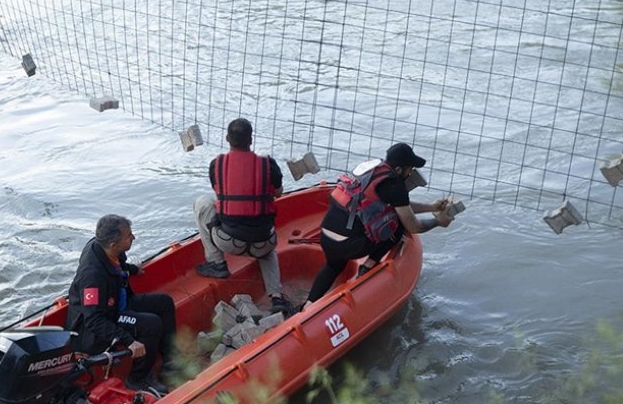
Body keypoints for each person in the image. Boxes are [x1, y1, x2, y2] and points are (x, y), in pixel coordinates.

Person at [302, 142, 454, 308]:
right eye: (409, 169)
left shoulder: (370, 170)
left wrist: (431, 207)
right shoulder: (395, 185)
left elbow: (400, 205)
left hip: (326, 236)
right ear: (398, 170)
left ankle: (308, 305)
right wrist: (438, 222)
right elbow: (413, 226)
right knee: (399, 225)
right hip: (349, 245)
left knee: (333, 266)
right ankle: (369, 265)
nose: (410, 173)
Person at [65, 214, 176, 395]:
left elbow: (119, 264)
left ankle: (170, 362)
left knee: (164, 302)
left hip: (118, 303)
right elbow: (93, 320)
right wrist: (129, 341)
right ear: (113, 244)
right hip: (98, 323)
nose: (133, 237)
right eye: (129, 236)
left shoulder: (107, 249)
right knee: (151, 324)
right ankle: (137, 378)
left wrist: (132, 269)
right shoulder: (92, 276)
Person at [193, 118, 293, 315]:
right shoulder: (268, 165)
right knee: (268, 251)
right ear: (251, 139)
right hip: (262, 243)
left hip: (228, 242)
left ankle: (217, 263)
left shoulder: (216, 165)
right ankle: (277, 297)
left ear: (227, 138)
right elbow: (279, 193)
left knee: (203, 203)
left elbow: (219, 192)